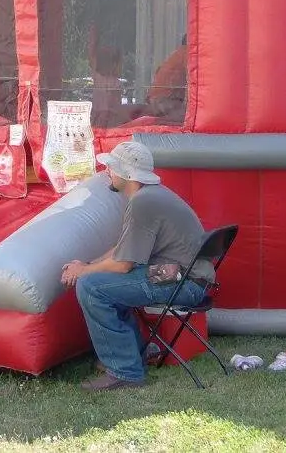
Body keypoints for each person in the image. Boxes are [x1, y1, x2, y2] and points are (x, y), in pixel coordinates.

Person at [60, 141, 213, 391]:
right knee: (102, 283)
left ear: (126, 174)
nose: (107, 171)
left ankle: (125, 371)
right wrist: (88, 264)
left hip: (182, 281)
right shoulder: (152, 195)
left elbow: (122, 265)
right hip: (183, 275)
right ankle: (134, 355)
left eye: (111, 167)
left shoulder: (143, 202)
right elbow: (123, 249)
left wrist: (82, 272)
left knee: (91, 287)